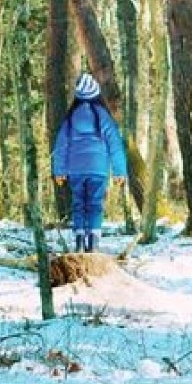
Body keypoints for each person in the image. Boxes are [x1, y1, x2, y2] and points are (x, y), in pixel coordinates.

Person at [52, 73, 128, 253]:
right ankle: (93, 243)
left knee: (78, 204)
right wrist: (120, 171)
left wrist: (59, 171)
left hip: (75, 170)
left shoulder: (70, 118)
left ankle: (79, 242)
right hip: (98, 169)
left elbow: (61, 146)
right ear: (96, 94)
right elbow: (115, 145)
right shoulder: (103, 116)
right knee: (95, 205)